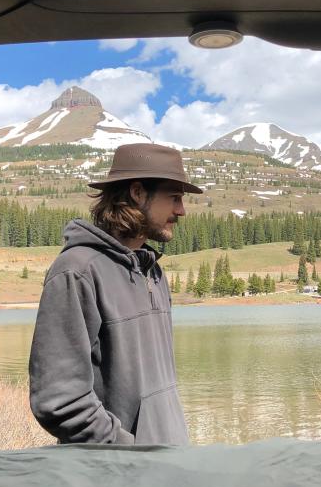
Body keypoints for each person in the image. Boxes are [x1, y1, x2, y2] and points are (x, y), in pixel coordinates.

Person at [28, 143, 202, 445]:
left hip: (165, 465)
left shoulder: (153, 271)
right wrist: (130, 452)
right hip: (118, 475)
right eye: (174, 197)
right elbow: (59, 401)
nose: (181, 210)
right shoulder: (77, 271)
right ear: (137, 192)